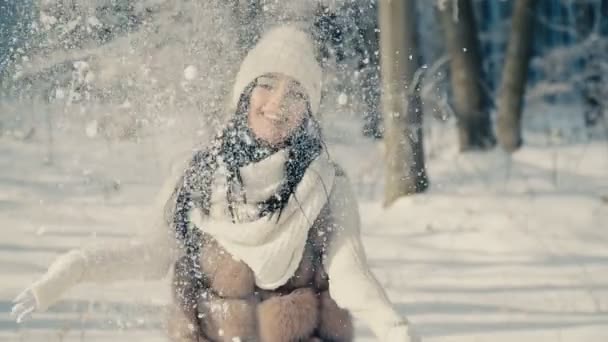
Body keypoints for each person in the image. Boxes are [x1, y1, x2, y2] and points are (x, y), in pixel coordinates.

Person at [12, 25, 420, 342]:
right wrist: (73, 269)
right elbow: (150, 254)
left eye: (295, 93)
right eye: (266, 84)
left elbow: (349, 271)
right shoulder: (198, 178)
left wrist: (395, 328)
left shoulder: (328, 187)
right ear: (244, 93)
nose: (277, 102)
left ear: (308, 112)